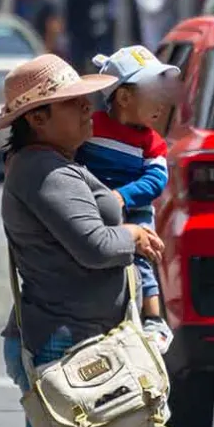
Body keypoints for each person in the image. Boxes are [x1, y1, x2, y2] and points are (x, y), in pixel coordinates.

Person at [0, 53, 170, 427]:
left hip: (81, 335)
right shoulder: (43, 170)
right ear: (38, 118)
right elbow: (94, 245)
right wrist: (133, 236)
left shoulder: (54, 162)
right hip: (64, 341)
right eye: (73, 104)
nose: (87, 110)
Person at [76, 45, 180, 329]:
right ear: (123, 96)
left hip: (135, 206)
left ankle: (153, 318)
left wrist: (122, 197)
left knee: (144, 254)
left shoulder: (153, 142)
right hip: (93, 205)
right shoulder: (90, 128)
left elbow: (156, 180)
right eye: (153, 93)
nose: (162, 103)